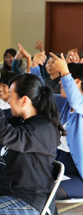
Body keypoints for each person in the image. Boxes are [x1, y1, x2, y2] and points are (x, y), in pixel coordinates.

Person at [0, 68, 64, 215]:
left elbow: (5, 134)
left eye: (11, 96)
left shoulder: (44, 129)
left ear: (24, 100)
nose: (7, 100)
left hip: (28, 200)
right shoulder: (20, 120)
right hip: (3, 193)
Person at [32, 54, 83, 200]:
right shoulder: (64, 103)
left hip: (79, 175)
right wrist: (36, 68)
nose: (60, 82)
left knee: (46, 193)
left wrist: (65, 72)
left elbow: (77, 102)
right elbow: (42, 96)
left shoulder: (79, 105)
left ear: (78, 82)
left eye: (64, 79)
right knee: (27, 184)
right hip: (59, 163)